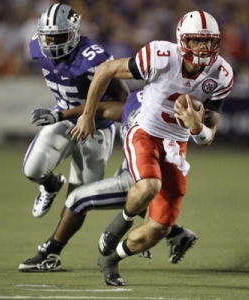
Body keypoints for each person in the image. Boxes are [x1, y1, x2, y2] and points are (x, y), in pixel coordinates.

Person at [71, 10, 234, 286]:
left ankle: (111, 259)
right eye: (197, 41)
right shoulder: (161, 56)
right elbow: (106, 69)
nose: (204, 48)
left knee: (160, 228)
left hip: (176, 146)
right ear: (183, 40)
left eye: (209, 42)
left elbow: (208, 138)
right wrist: (87, 114)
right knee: (149, 186)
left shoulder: (221, 74)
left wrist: (196, 127)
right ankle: (120, 222)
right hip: (145, 132)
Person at [18, 91, 198, 272]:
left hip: (143, 178)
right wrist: (59, 115)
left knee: (77, 199)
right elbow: (101, 109)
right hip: (135, 172)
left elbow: (159, 170)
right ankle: (176, 234)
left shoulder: (164, 113)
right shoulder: (137, 100)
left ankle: (50, 254)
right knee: (132, 201)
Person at [22, 3, 129, 218]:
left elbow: (122, 98)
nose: (51, 43)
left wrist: (89, 114)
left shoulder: (93, 59)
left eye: (59, 37)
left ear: (74, 33)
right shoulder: (36, 46)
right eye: (48, 37)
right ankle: (51, 185)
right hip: (63, 116)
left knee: (79, 198)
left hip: (96, 128)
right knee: (32, 170)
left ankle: (53, 247)